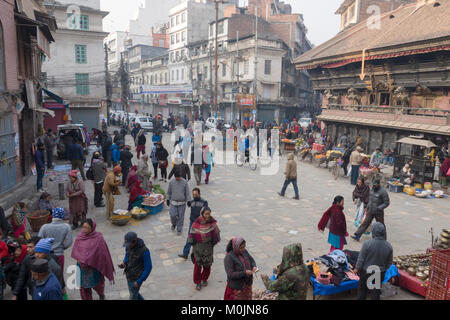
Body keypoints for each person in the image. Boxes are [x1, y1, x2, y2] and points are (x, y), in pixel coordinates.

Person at [71, 219, 115, 300]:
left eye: (87, 228)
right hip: (82, 268)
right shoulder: (80, 237)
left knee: (97, 284)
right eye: (83, 227)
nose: (84, 230)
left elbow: (103, 254)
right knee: (84, 288)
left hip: (94, 267)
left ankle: (101, 294)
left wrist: (92, 259)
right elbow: (77, 251)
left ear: (92, 228)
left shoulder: (98, 238)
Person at [355, 222, 393, 300]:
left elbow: (361, 259)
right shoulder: (388, 246)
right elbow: (389, 262)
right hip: (379, 272)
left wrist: (357, 268)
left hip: (366, 272)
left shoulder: (367, 244)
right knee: (375, 292)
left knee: (362, 290)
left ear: (374, 231)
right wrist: (383, 269)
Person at [188, 207, 220, 290]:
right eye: (206, 214)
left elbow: (216, 234)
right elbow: (191, 235)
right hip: (198, 248)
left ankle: (204, 279)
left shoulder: (212, 223)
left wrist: (212, 243)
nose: (208, 215)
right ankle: (198, 282)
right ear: (202, 214)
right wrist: (193, 243)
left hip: (208, 247)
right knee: (197, 266)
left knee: (207, 265)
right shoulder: (196, 223)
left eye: (209, 214)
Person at [118, 232, 152, 300]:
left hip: (137, 278)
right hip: (129, 275)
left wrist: (139, 281)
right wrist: (124, 262)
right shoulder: (128, 247)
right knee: (133, 292)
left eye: (129, 244)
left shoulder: (144, 251)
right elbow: (127, 256)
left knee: (133, 296)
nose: (128, 246)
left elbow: (148, 268)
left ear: (135, 241)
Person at [38, 208, 72, 272]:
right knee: (59, 275)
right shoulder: (66, 227)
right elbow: (69, 242)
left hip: (46, 255)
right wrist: (61, 247)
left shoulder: (44, 227)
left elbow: (39, 241)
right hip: (59, 254)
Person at [179, 188, 208, 259]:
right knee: (189, 237)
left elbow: (207, 210)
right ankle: (185, 253)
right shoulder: (192, 201)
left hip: (200, 223)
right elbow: (188, 204)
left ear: (199, 194)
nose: (194, 196)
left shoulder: (204, 202)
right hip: (192, 222)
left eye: (196, 194)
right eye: (193, 195)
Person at [167, 171, 192, 236]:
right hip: (173, 202)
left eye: (179, 177)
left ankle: (179, 229)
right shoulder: (171, 182)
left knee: (181, 217)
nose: (178, 179)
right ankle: (174, 224)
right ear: (175, 177)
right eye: (176, 177)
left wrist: (189, 201)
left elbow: (187, 193)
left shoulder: (184, 182)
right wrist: (167, 199)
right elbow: (169, 192)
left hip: (182, 203)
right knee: (172, 215)